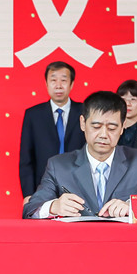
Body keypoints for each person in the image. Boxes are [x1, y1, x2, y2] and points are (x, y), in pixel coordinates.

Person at [23, 91, 137, 218]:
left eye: (112, 128)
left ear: (122, 127)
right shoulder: (58, 165)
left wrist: (133, 207)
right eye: (96, 126)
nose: (103, 135)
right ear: (83, 123)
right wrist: (53, 206)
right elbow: (30, 210)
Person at [18, 61, 84, 202]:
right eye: (53, 80)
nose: (58, 85)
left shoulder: (84, 112)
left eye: (63, 80)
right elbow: (26, 159)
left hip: (80, 186)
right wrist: (28, 194)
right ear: (46, 84)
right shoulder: (33, 114)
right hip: (43, 187)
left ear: (72, 84)